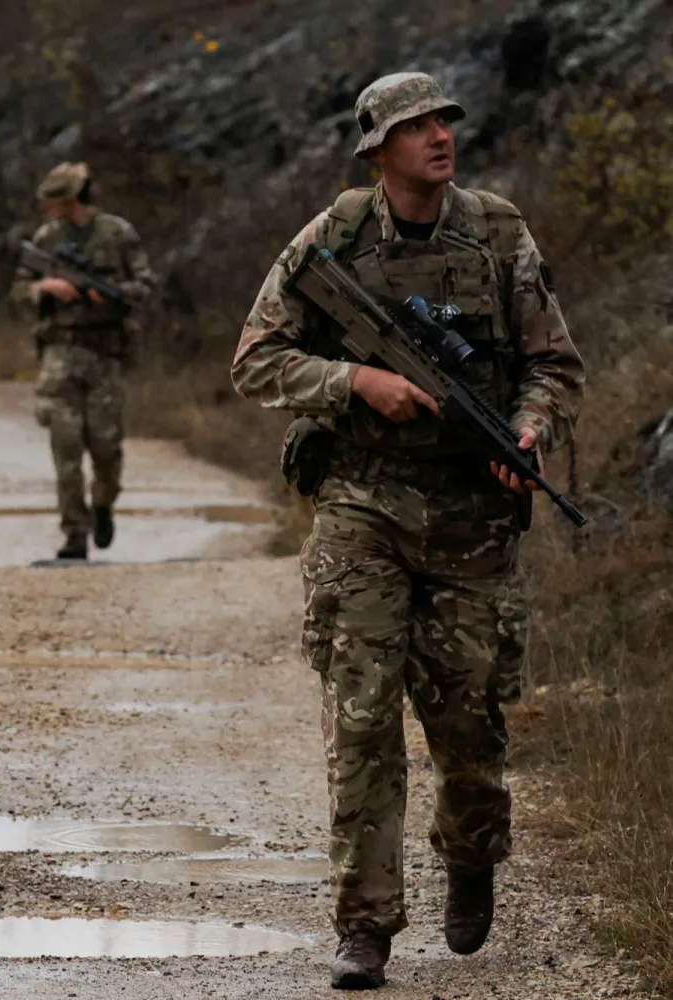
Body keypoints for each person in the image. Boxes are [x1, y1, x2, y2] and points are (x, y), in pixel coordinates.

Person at [231, 72, 584, 990]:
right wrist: (356, 385)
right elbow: (256, 358)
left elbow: (554, 365)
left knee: (468, 727)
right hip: (363, 508)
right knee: (362, 723)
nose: (437, 136)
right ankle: (365, 924)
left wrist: (529, 431)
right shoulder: (334, 239)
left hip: (472, 519)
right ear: (377, 149)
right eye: (415, 126)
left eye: (443, 121)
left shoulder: (498, 231)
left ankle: (471, 855)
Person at [11, 163, 152, 561]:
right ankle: (75, 533)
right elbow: (20, 288)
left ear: (71, 200)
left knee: (107, 449)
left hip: (105, 355)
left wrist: (107, 295)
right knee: (65, 446)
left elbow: (144, 286)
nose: (49, 210)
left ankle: (103, 506)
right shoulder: (47, 239)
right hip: (60, 355)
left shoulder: (118, 234)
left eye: (55, 202)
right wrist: (45, 288)